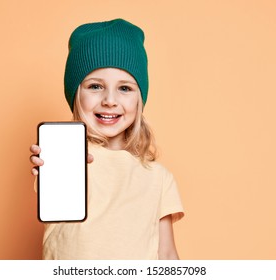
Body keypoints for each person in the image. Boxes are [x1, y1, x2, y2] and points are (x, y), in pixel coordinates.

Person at [30, 18, 184, 260]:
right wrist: (50, 168)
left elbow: (167, 255)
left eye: (124, 88)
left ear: (139, 100)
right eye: (95, 86)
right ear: (75, 96)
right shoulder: (67, 161)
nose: (110, 100)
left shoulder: (158, 178)